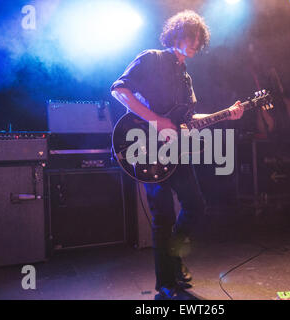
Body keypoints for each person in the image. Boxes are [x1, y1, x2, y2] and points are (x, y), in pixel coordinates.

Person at [111, 10, 244, 299]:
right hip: (146, 147)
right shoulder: (152, 58)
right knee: (163, 217)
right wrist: (156, 121)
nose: (195, 41)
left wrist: (226, 115)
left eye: (199, 38)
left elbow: (189, 118)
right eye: (190, 35)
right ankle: (166, 284)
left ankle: (173, 258)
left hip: (177, 151)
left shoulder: (186, 76)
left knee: (195, 206)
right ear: (176, 34)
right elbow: (119, 90)